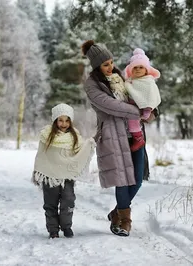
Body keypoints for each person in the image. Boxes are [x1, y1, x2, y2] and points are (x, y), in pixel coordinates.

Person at [81, 40, 152, 237]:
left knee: (136, 180)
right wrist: (138, 112)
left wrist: (149, 109)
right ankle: (124, 220)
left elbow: (138, 95)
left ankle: (116, 212)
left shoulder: (121, 77)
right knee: (123, 179)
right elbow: (111, 105)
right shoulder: (92, 85)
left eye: (111, 62)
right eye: (106, 64)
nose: (110, 67)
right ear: (96, 66)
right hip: (113, 135)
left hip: (134, 134)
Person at [32, 103, 95, 239]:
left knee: (68, 201)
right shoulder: (46, 136)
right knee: (50, 203)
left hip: (67, 176)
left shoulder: (75, 137)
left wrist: (88, 145)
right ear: (55, 120)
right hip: (50, 175)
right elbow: (42, 156)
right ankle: (53, 229)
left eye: (67, 120)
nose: (64, 124)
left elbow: (79, 154)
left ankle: (66, 226)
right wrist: (38, 171)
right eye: (60, 120)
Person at [124, 48, 161, 152]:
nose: (138, 69)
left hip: (140, 110)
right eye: (135, 67)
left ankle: (138, 138)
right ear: (131, 69)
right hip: (130, 106)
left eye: (141, 67)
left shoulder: (148, 81)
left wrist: (147, 110)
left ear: (146, 70)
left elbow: (150, 97)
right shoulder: (129, 81)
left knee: (133, 120)